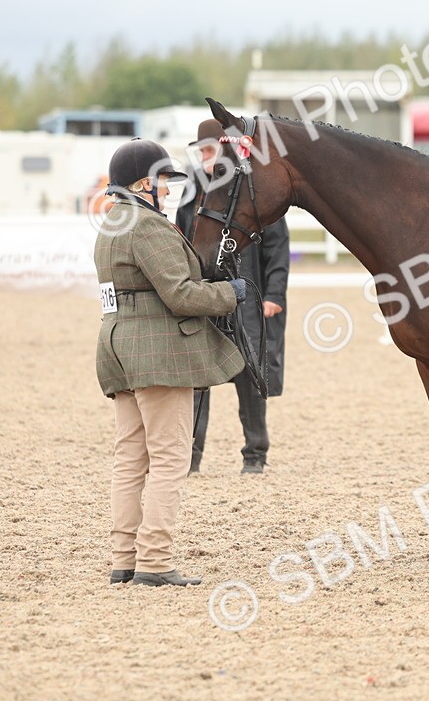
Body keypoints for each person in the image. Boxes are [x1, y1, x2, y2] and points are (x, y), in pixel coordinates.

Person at [94, 138, 246, 587]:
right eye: (162, 181)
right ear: (144, 183)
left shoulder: (111, 224)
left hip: (118, 345)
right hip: (156, 352)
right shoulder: (147, 226)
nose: (166, 190)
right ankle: (155, 561)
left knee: (131, 458)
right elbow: (180, 293)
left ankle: (124, 557)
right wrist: (228, 295)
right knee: (169, 458)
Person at [178, 119, 290, 475]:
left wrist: (273, 294)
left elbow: (277, 247)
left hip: (249, 298)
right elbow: (180, 241)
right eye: (203, 152)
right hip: (204, 297)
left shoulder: (253, 188)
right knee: (197, 379)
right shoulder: (192, 192)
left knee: (252, 376)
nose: (206, 159)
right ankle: (191, 457)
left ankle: (255, 454)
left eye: (210, 151)